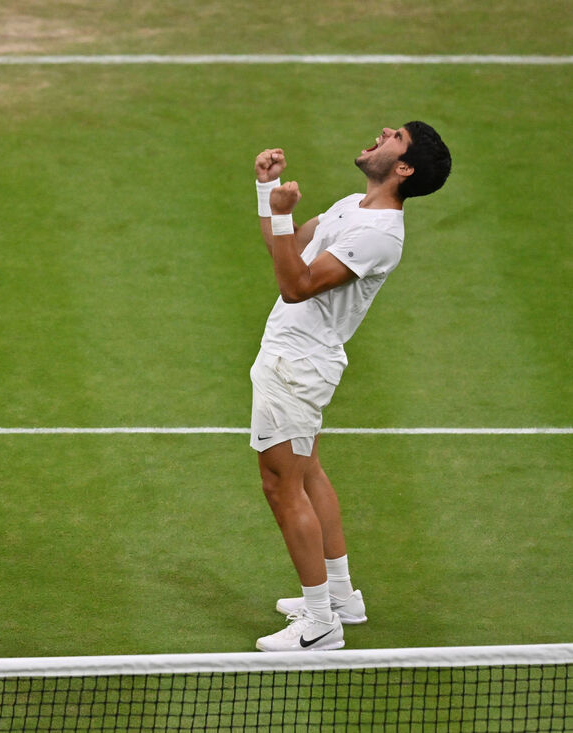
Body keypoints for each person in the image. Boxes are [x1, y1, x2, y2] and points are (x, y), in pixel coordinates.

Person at [250, 122, 451, 652]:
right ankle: (340, 596)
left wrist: (285, 209)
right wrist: (268, 195)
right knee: (308, 468)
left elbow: (295, 286)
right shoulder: (351, 207)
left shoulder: (379, 234)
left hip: (298, 365)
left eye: (398, 137)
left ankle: (319, 624)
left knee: (280, 485)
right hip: (293, 357)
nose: (385, 131)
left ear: (403, 168)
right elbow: (284, 248)